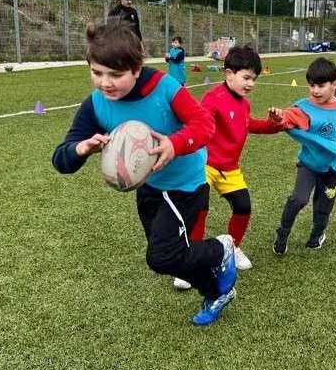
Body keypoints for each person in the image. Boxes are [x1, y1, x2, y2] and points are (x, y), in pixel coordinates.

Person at [51, 21, 237, 327]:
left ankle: (221, 249)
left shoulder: (164, 88)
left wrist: (174, 144)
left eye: (115, 74)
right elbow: (61, 159)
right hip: (149, 187)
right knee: (173, 256)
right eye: (97, 73)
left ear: (136, 69)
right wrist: (81, 148)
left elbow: (205, 125)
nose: (105, 83)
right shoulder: (97, 104)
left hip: (185, 185)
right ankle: (216, 292)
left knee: (161, 257)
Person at [196, 45, 285, 272]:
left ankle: (232, 249)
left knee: (243, 206)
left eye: (254, 79)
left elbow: (250, 125)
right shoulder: (212, 98)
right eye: (246, 77)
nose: (251, 84)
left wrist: (274, 124)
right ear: (228, 74)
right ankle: (192, 256)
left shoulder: (244, 104)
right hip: (205, 165)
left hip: (230, 169)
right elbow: (198, 123)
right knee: (199, 205)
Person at [269, 57, 336, 254]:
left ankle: (317, 235)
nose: (315, 90)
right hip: (309, 165)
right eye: (312, 85)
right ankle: (282, 234)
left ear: (334, 84)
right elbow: (291, 117)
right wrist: (279, 117)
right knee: (299, 199)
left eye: (321, 85)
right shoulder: (305, 107)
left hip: (333, 168)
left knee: (323, 206)